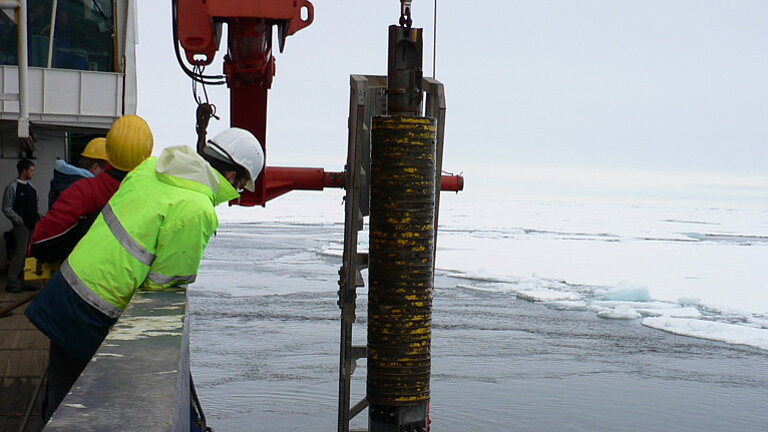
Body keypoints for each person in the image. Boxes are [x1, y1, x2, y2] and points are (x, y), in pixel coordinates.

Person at [25, 126, 264, 421]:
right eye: (240, 186)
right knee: (87, 411)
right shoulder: (198, 209)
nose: (236, 193)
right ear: (231, 176)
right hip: (92, 312)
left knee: (60, 399)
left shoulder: (151, 167)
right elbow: (163, 285)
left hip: (66, 288)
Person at [32, 119, 149, 264]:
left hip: (79, 277)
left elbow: (41, 243)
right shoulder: (153, 198)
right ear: (147, 153)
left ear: (109, 150)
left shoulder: (83, 191)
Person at [2, 160, 41, 292]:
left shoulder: (32, 188)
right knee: (20, 253)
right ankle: (13, 282)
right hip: (21, 227)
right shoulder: (12, 187)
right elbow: (6, 208)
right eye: (31, 170)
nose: (33, 173)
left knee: (28, 254)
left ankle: (25, 281)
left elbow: (35, 207)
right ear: (24, 171)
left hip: (33, 226)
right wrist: (19, 220)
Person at [48, 137, 109, 209]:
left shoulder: (64, 181)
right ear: (95, 167)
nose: (107, 176)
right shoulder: (87, 190)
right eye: (106, 171)